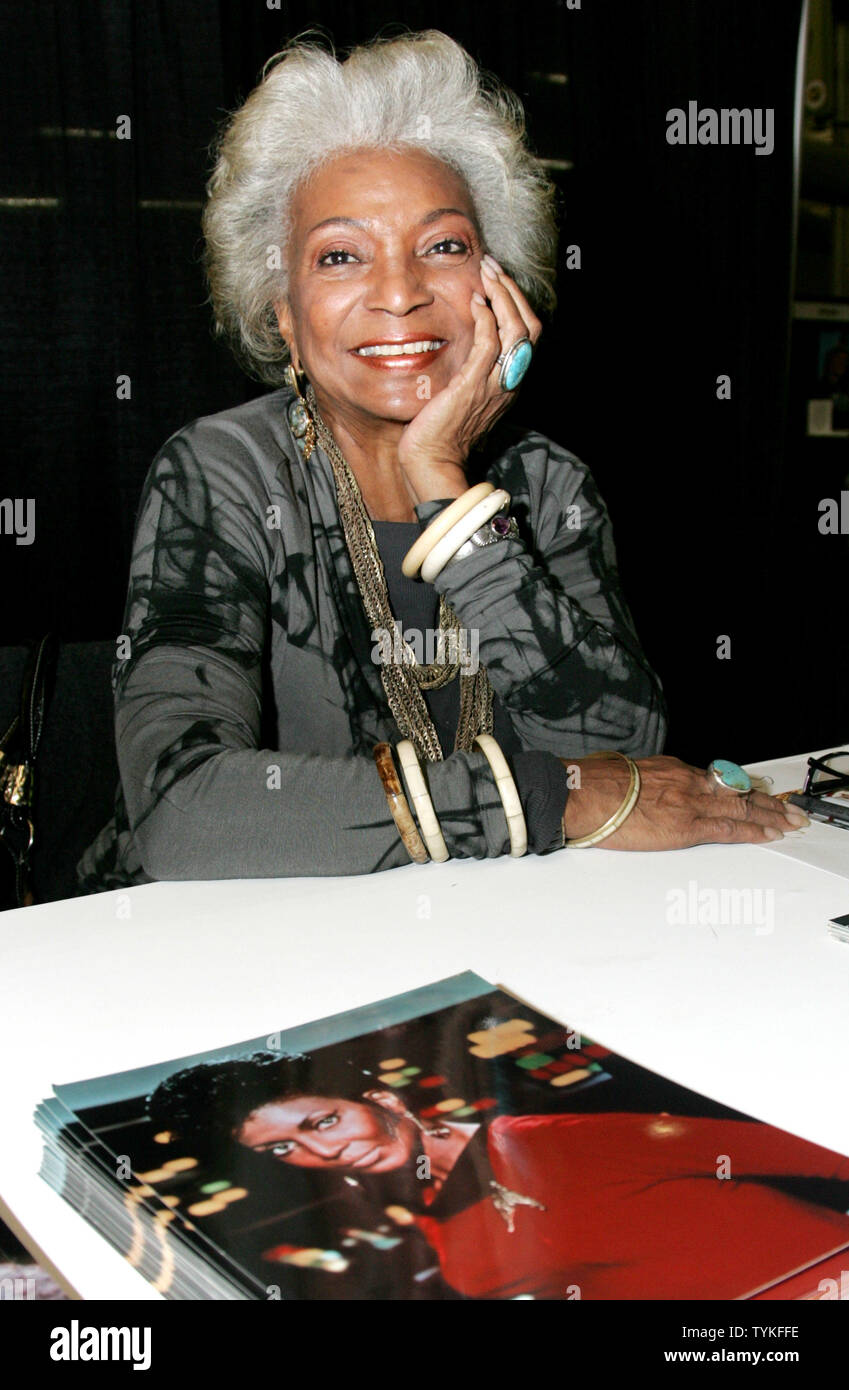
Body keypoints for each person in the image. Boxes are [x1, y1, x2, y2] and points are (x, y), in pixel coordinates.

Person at [78, 30, 806, 890]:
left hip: (490, 938)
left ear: (499, 285)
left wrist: (444, 487)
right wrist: (547, 801)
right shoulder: (221, 470)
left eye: (444, 246)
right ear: (282, 315)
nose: (399, 292)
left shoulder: (547, 481)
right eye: (341, 255)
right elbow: (183, 810)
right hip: (235, 956)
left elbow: (623, 750)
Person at [148, 1054, 849, 1300]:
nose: (319, 1153)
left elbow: (809, 1151)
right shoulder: (432, 1236)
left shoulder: (543, 1141)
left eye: (321, 1122)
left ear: (381, 1100)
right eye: (281, 1152)